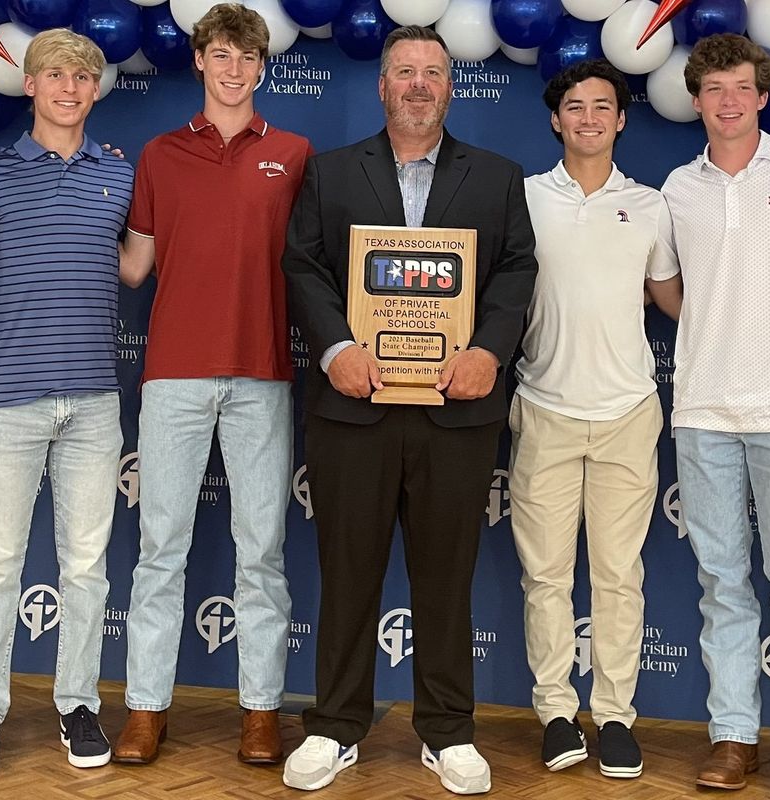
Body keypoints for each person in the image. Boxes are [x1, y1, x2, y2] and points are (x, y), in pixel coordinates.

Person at [281, 24, 536, 796]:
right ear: (383, 86)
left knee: (445, 576)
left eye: (433, 71)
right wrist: (336, 350)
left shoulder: (496, 176)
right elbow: (303, 266)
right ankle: (335, 726)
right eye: (405, 72)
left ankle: (448, 731)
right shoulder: (329, 174)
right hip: (352, 407)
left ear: (450, 87)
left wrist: (488, 352)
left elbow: (517, 270)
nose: (419, 84)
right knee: (348, 571)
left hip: (456, 413)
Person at [111, 3, 311, 766]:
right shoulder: (158, 154)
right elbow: (133, 263)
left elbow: (317, 266)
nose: (234, 69)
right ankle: (145, 709)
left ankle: (260, 711)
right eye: (220, 55)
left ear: (263, 67)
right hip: (174, 376)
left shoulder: (294, 153)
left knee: (261, 550)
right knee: (161, 547)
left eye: (247, 58)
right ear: (199, 61)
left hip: (263, 371)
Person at [659, 33, 770, 800]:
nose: (728, 101)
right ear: (696, 99)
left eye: (742, 87)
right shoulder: (676, 187)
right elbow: (669, 292)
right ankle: (733, 736)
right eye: (714, 89)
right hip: (701, 410)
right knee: (721, 584)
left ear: (764, 96)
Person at [0, 28, 132, 779]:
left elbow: (137, 265)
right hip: (10, 401)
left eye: (83, 78)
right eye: (54, 75)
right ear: (31, 86)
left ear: (94, 92)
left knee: (86, 568)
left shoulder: (118, 176)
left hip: (94, 402)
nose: (69, 88)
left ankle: (77, 703)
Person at [510, 58, 678, 780]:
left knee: (618, 576)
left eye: (602, 106)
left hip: (626, 413)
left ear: (621, 118)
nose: (588, 118)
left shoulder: (650, 205)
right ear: (556, 119)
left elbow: (674, 300)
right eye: (574, 106)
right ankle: (555, 711)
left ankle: (614, 715)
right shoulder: (521, 199)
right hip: (542, 408)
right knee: (544, 576)